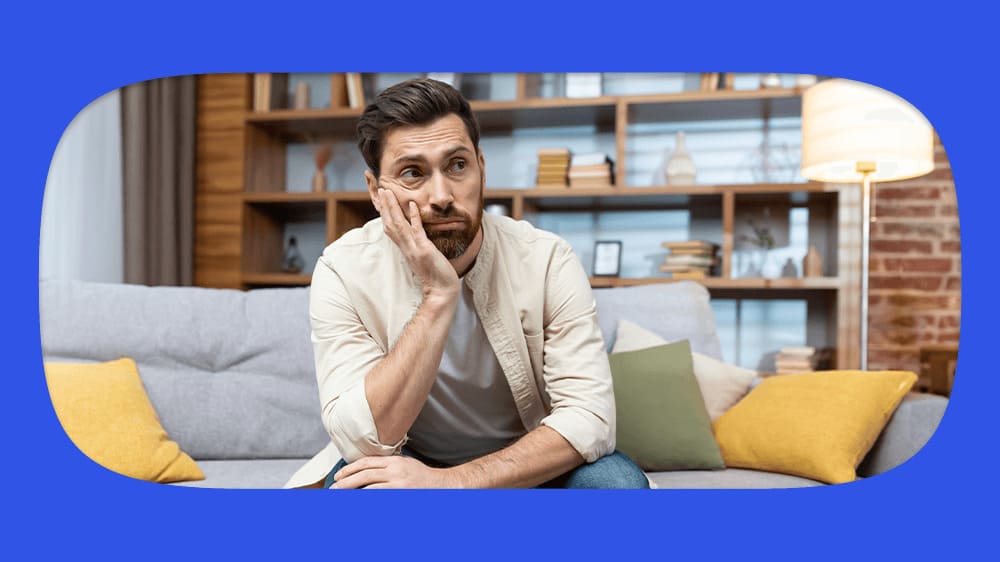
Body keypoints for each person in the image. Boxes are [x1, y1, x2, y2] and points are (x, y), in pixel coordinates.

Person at [284, 78, 648, 489]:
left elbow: (590, 418)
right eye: (412, 173)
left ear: (481, 167)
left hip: (531, 458)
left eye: (457, 165)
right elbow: (362, 437)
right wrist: (439, 296)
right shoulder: (343, 268)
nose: (441, 195)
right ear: (375, 190)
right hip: (405, 460)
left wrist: (451, 483)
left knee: (618, 488)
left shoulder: (547, 259)